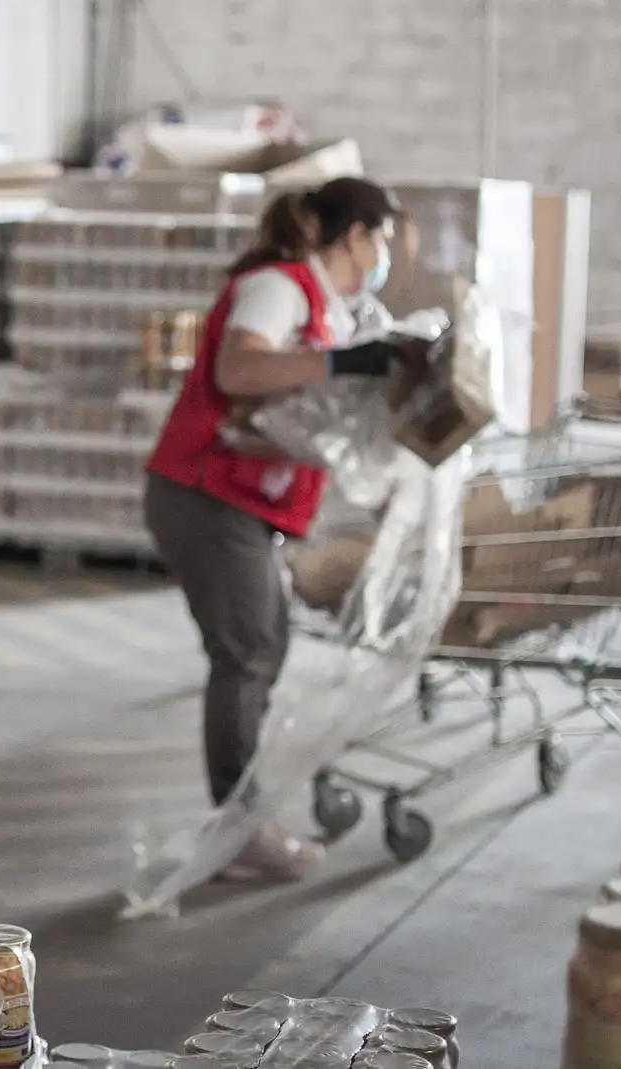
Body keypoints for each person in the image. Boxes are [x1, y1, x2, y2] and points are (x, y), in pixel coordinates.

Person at [143, 177, 410, 882]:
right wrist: (343, 362)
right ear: (355, 236)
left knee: (263, 646)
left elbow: (291, 420)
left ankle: (240, 819)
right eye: (381, 238)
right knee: (250, 650)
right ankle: (237, 832)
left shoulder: (328, 306)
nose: (383, 255)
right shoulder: (279, 286)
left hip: (237, 500)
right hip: (204, 496)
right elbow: (238, 367)